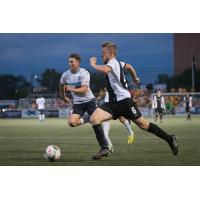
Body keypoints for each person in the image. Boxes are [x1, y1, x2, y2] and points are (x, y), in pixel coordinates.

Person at [89, 42, 178, 160]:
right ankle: (105, 147)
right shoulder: (118, 63)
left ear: (111, 54)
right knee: (94, 118)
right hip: (112, 103)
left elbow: (105, 70)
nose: (101, 55)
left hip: (125, 102)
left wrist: (93, 64)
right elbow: (129, 66)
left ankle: (170, 139)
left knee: (143, 125)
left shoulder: (113, 63)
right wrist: (135, 78)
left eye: (103, 53)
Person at [59, 53, 113, 152]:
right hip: (78, 103)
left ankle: (106, 146)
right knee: (71, 123)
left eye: (72, 62)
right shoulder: (66, 75)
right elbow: (61, 84)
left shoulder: (84, 73)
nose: (69, 64)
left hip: (89, 101)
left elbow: (84, 89)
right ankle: (88, 118)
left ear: (78, 62)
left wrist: (71, 88)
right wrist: (63, 97)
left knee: (96, 122)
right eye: (69, 62)